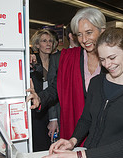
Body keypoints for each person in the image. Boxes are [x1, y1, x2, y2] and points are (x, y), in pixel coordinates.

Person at [41, 27, 123, 158]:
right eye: (102, 59)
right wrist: (72, 141)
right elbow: (86, 119)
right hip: (89, 154)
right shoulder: (97, 82)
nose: (107, 64)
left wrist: (80, 156)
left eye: (112, 57)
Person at [26, 7, 107, 142]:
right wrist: (39, 98)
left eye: (89, 32)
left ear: (102, 31)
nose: (84, 39)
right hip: (76, 130)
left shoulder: (113, 59)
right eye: (79, 34)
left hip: (105, 131)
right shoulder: (69, 58)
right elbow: (56, 88)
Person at [30, 29, 58, 151]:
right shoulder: (32, 61)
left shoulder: (56, 60)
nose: (48, 44)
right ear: (37, 45)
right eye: (44, 41)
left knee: (53, 144)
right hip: (37, 111)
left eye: (50, 41)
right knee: (39, 144)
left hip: (53, 108)